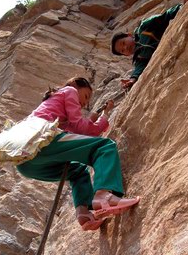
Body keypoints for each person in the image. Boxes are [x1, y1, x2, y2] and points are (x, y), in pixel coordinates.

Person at [16, 77, 140, 231]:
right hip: (41, 141)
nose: (85, 103)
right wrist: (104, 116)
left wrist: (101, 116)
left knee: (78, 171)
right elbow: (82, 129)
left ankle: (84, 213)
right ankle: (104, 196)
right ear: (75, 85)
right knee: (104, 146)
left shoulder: (55, 106)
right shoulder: (70, 90)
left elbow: (79, 131)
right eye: (86, 96)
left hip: (25, 162)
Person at [111, 0, 188, 89]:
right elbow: (138, 70)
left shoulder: (144, 27)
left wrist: (183, 6)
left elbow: (165, 16)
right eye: (122, 51)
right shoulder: (139, 58)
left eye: (123, 43)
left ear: (129, 35)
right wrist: (132, 80)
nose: (125, 48)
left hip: (176, 39)